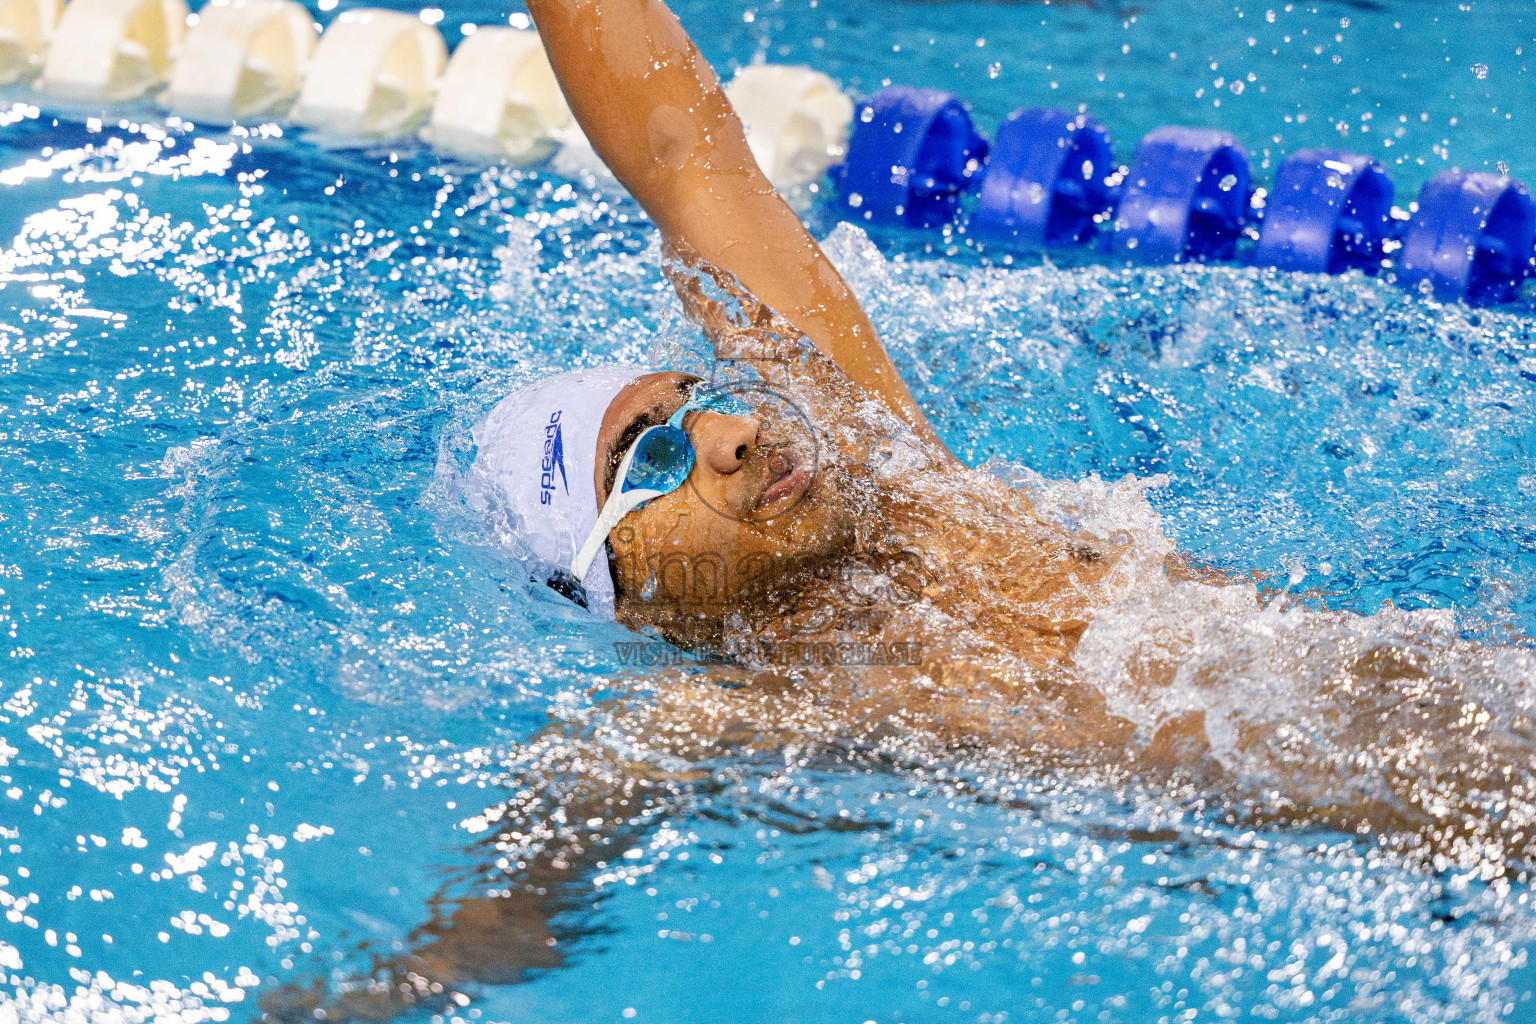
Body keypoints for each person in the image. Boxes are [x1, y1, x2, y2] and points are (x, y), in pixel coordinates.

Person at [261, 0, 1536, 1016]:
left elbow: (675, 144)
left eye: (693, 398)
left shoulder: (889, 469)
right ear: (618, 588)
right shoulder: (720, 713)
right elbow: (501, 923)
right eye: (651, 464)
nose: (734, 429)